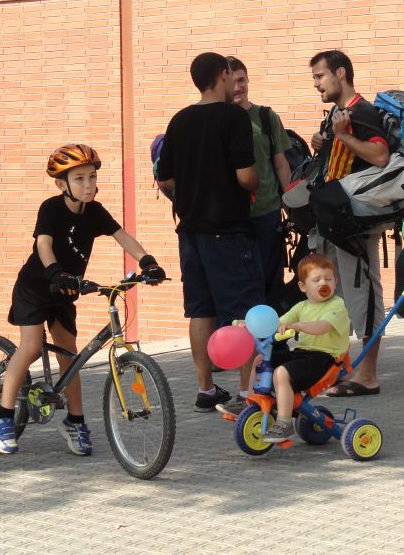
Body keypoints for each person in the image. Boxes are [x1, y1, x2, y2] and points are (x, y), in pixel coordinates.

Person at [0, 144, 166, 455]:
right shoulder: (51, 208)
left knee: (70, 356)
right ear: (62, 184)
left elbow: (121, 236)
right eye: (80, 179)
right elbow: (44, 244)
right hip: (35, 287)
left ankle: (75, 421)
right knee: (30, 347)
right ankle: (2, 417)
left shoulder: (94, 211)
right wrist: (55, 272)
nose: (88, 185)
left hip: (64, 291)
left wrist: (147, 261)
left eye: (92, 177)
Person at [157, 52, 263, 412]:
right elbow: (245, 176)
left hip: (190, 232)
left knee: (200, 310)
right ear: (222, 75)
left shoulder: (180, 120)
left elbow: (164, 176)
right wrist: (254, 183)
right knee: (246, 311)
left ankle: (205, 388)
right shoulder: (233, 117)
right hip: (229, 230)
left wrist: (190, 191)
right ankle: (248, 390)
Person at [307, 50, 390, 397]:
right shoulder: (338, 116)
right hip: (335, 220)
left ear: (341, 73)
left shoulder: (362, 111)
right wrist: (323, 144)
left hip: (357, 222)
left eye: (320, 76)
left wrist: (342, 137)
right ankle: (347, 368)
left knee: (363, 294)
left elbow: (380, 156)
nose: (316, 84)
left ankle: (367, 375)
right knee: (337, 296)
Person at [221, 253, 350, 442]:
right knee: (260, 360)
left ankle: (284, 422)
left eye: (329, 278)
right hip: (304, 354)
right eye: (317, 279)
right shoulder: (301, 307)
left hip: (326, 358)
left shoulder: (337, 305)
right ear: (303, 286)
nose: (324, 283)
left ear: (335, 282)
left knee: (281, 373)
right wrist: (249, 324)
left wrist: (297, 326)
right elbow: (275, 322)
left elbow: (323, 327)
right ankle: (248, 401)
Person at [227, 56, 293, 297]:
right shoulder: (217, 119)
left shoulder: (266, 116)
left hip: (267, 211)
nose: (237, 87)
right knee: (239, 281)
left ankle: (272, 333)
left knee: (271, 278)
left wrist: (290, 201)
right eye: (232, 82)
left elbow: (281, 164)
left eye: (242, 80)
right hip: (231, 215)